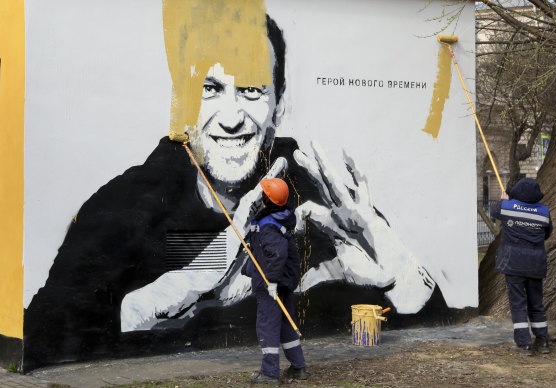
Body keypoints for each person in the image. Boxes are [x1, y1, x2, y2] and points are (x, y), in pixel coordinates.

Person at [23, 0, 438, 371]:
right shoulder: (124, 206)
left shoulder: (320, 195)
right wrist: (169, 293)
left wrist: (400, 278)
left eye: (253, 90)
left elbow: (431, 332)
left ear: (280, 104)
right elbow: (41, 336)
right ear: (183, 103)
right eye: (210, 89)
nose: (232, 117)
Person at [242, 178, 308, 385]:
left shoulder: (268, 226)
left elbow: (277, 254)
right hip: (283, 280)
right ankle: (298, 368)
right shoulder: (280, 219)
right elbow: (266, 252)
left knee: (267, 325)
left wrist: (271, 282)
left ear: (266, 200)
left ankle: (269, 373)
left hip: (272, 282)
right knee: (285, 323)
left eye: (263, 194)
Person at [491, 178, 553, 355]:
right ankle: (542, 341)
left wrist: (504, 199)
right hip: (535, 264)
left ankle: (524, 343)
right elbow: (547, 233)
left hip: (514, 264)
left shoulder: (507, 206)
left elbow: (494, 210)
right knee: (536, 303)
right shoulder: (544, 211)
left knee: (518, 304)